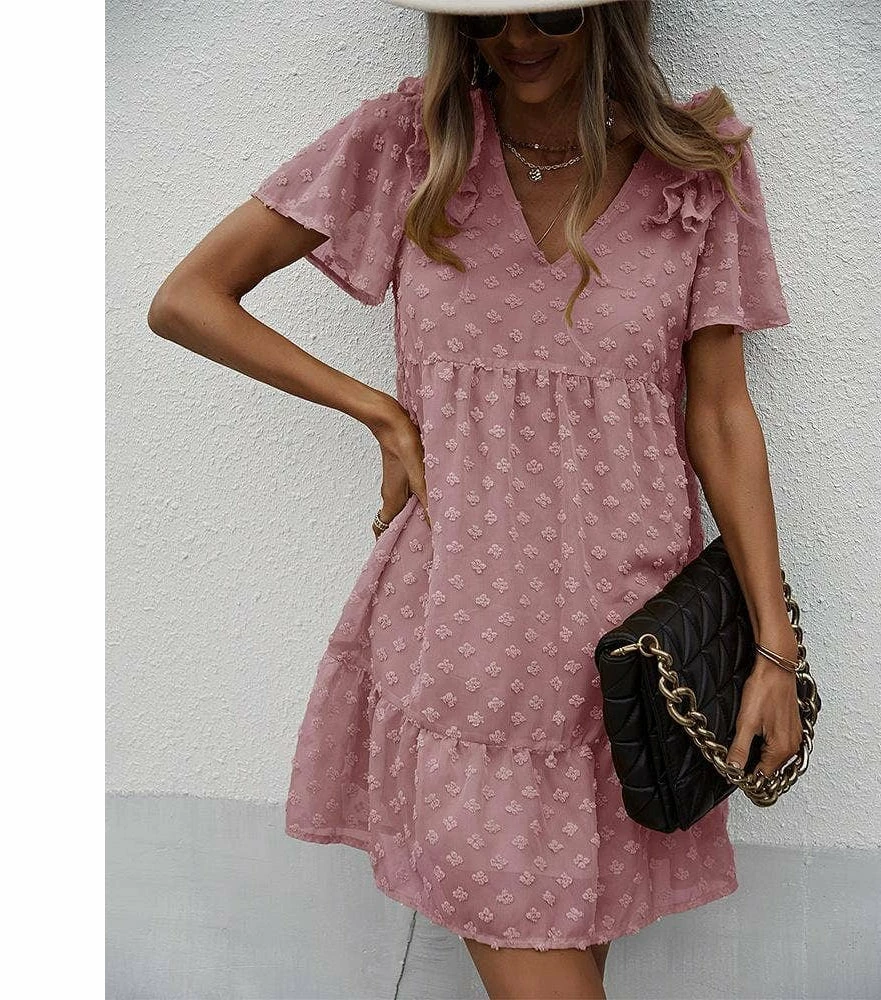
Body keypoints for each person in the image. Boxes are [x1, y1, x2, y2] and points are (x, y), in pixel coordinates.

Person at [147, 1, 803, 996]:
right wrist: (376, 409)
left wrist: (773, 647)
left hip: (631, 660)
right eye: (486, 20)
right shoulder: (410, 146)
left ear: (613, 15)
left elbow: (718, 414)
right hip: (469, 654)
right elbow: (188, 298)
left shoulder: (695, 170)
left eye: (552, 16)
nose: (518, 41)